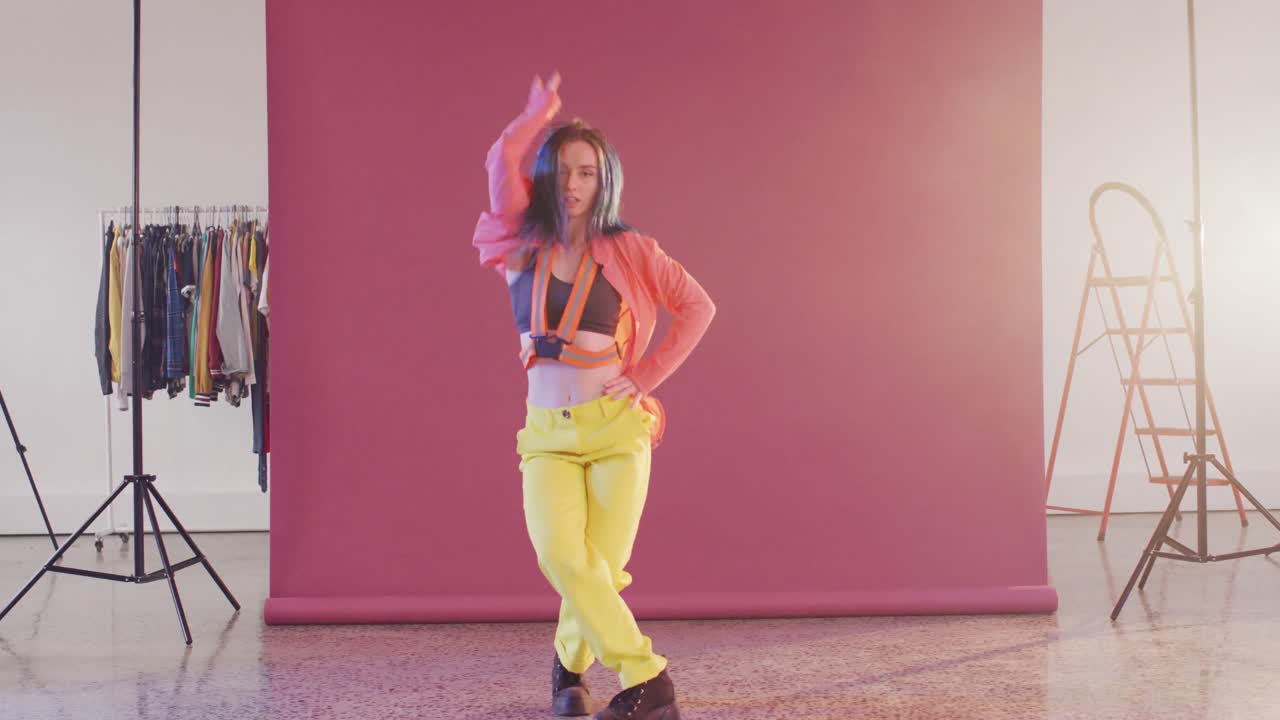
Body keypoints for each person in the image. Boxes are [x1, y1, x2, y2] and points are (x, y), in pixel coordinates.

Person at [472, 72, 716, 720]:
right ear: (547, 178)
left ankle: (568, 671)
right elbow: (500, 161)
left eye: (588, 172)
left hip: (617, 429)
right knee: (562, 555)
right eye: (564, 172)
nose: (575, 185)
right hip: (548, 433)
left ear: (604, 180)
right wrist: (533, 117)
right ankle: (646, 675)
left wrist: (646, 376)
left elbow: (697, 306)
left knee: (600, 569)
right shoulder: (520, 242)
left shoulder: (631, 249)